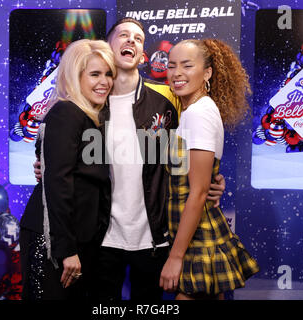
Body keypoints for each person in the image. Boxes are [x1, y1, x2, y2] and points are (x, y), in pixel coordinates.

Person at [34, 18, 226, 301]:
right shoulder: (90, 104)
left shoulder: (165, 103)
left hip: (152, 237)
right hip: (100, 238)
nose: (131, 41)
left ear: (143, 53)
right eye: (123, 35)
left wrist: (212, 182)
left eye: (138, 38)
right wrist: (45, 167)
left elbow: (184, 160)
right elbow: (61, 161)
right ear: (107, 48)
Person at [159, 39, 259, 300]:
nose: (177, 73)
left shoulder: (198, 114)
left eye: (187, 65)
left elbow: (199, 192)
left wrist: (175, 256)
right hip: (194, 231)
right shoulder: (197, 109)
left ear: (208, 73)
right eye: (171, 66)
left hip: (197, 233)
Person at [19, 39, 116, 300]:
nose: (104, 81)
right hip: (53, 240)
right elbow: (58, 184)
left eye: (108, 74)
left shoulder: (93, 116)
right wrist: (66, 249)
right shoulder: (66, 113)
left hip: (75, 239)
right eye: (95, 74)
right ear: (75, 75)